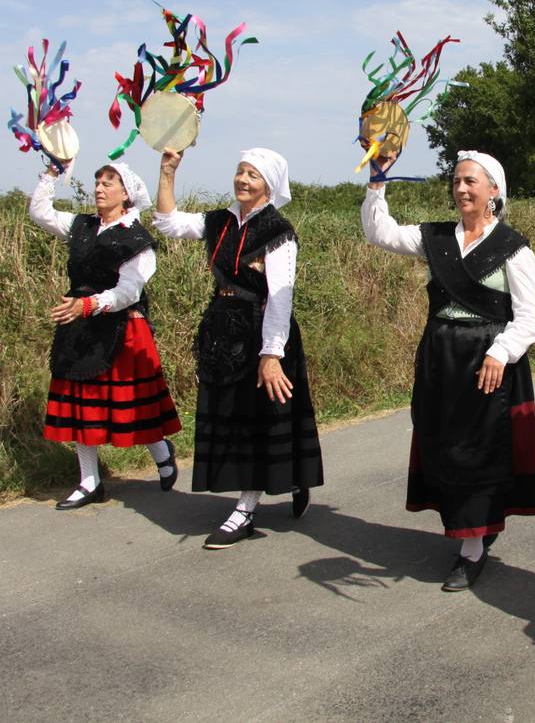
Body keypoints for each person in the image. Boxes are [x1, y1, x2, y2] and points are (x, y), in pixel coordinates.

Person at [361, 149, 535, 592]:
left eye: (471, 182)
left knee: (478, 450)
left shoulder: (513, 248)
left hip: (489, 362)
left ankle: (472, 549)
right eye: (457, 181)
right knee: (443, 441)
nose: (461, 189)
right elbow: (378, 232)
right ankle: (474, 526)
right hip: (440, 358)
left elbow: (530, 318)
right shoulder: (436, 238)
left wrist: (500, 354)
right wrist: (377, 179)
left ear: (493, 191)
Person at [153, 148, 324, 548]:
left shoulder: (277, 231)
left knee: (257, 419)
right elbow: (167, 222)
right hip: (222, 330)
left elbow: (281, 297)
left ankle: (246, 509)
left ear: (269, 185)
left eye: (253, 175)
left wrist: (271, 354)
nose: (243, 180)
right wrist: (167, 173)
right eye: (240, 172)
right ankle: (292, 475)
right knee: (231, 415)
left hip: (262, 329)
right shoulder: (219, 221)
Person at [29, 161, 181, 509]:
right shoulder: (82, 226)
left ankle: (161, 451)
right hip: (80, 326)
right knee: (82, 406)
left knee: (132, 406)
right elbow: (40, 213)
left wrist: (87, 305)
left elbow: (128, 291)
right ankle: (89, 481)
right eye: (97, 182)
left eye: (108, 183)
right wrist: (52, 172)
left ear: (125, 193)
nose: (99, 188)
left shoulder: (137, 239)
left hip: (122, 326)